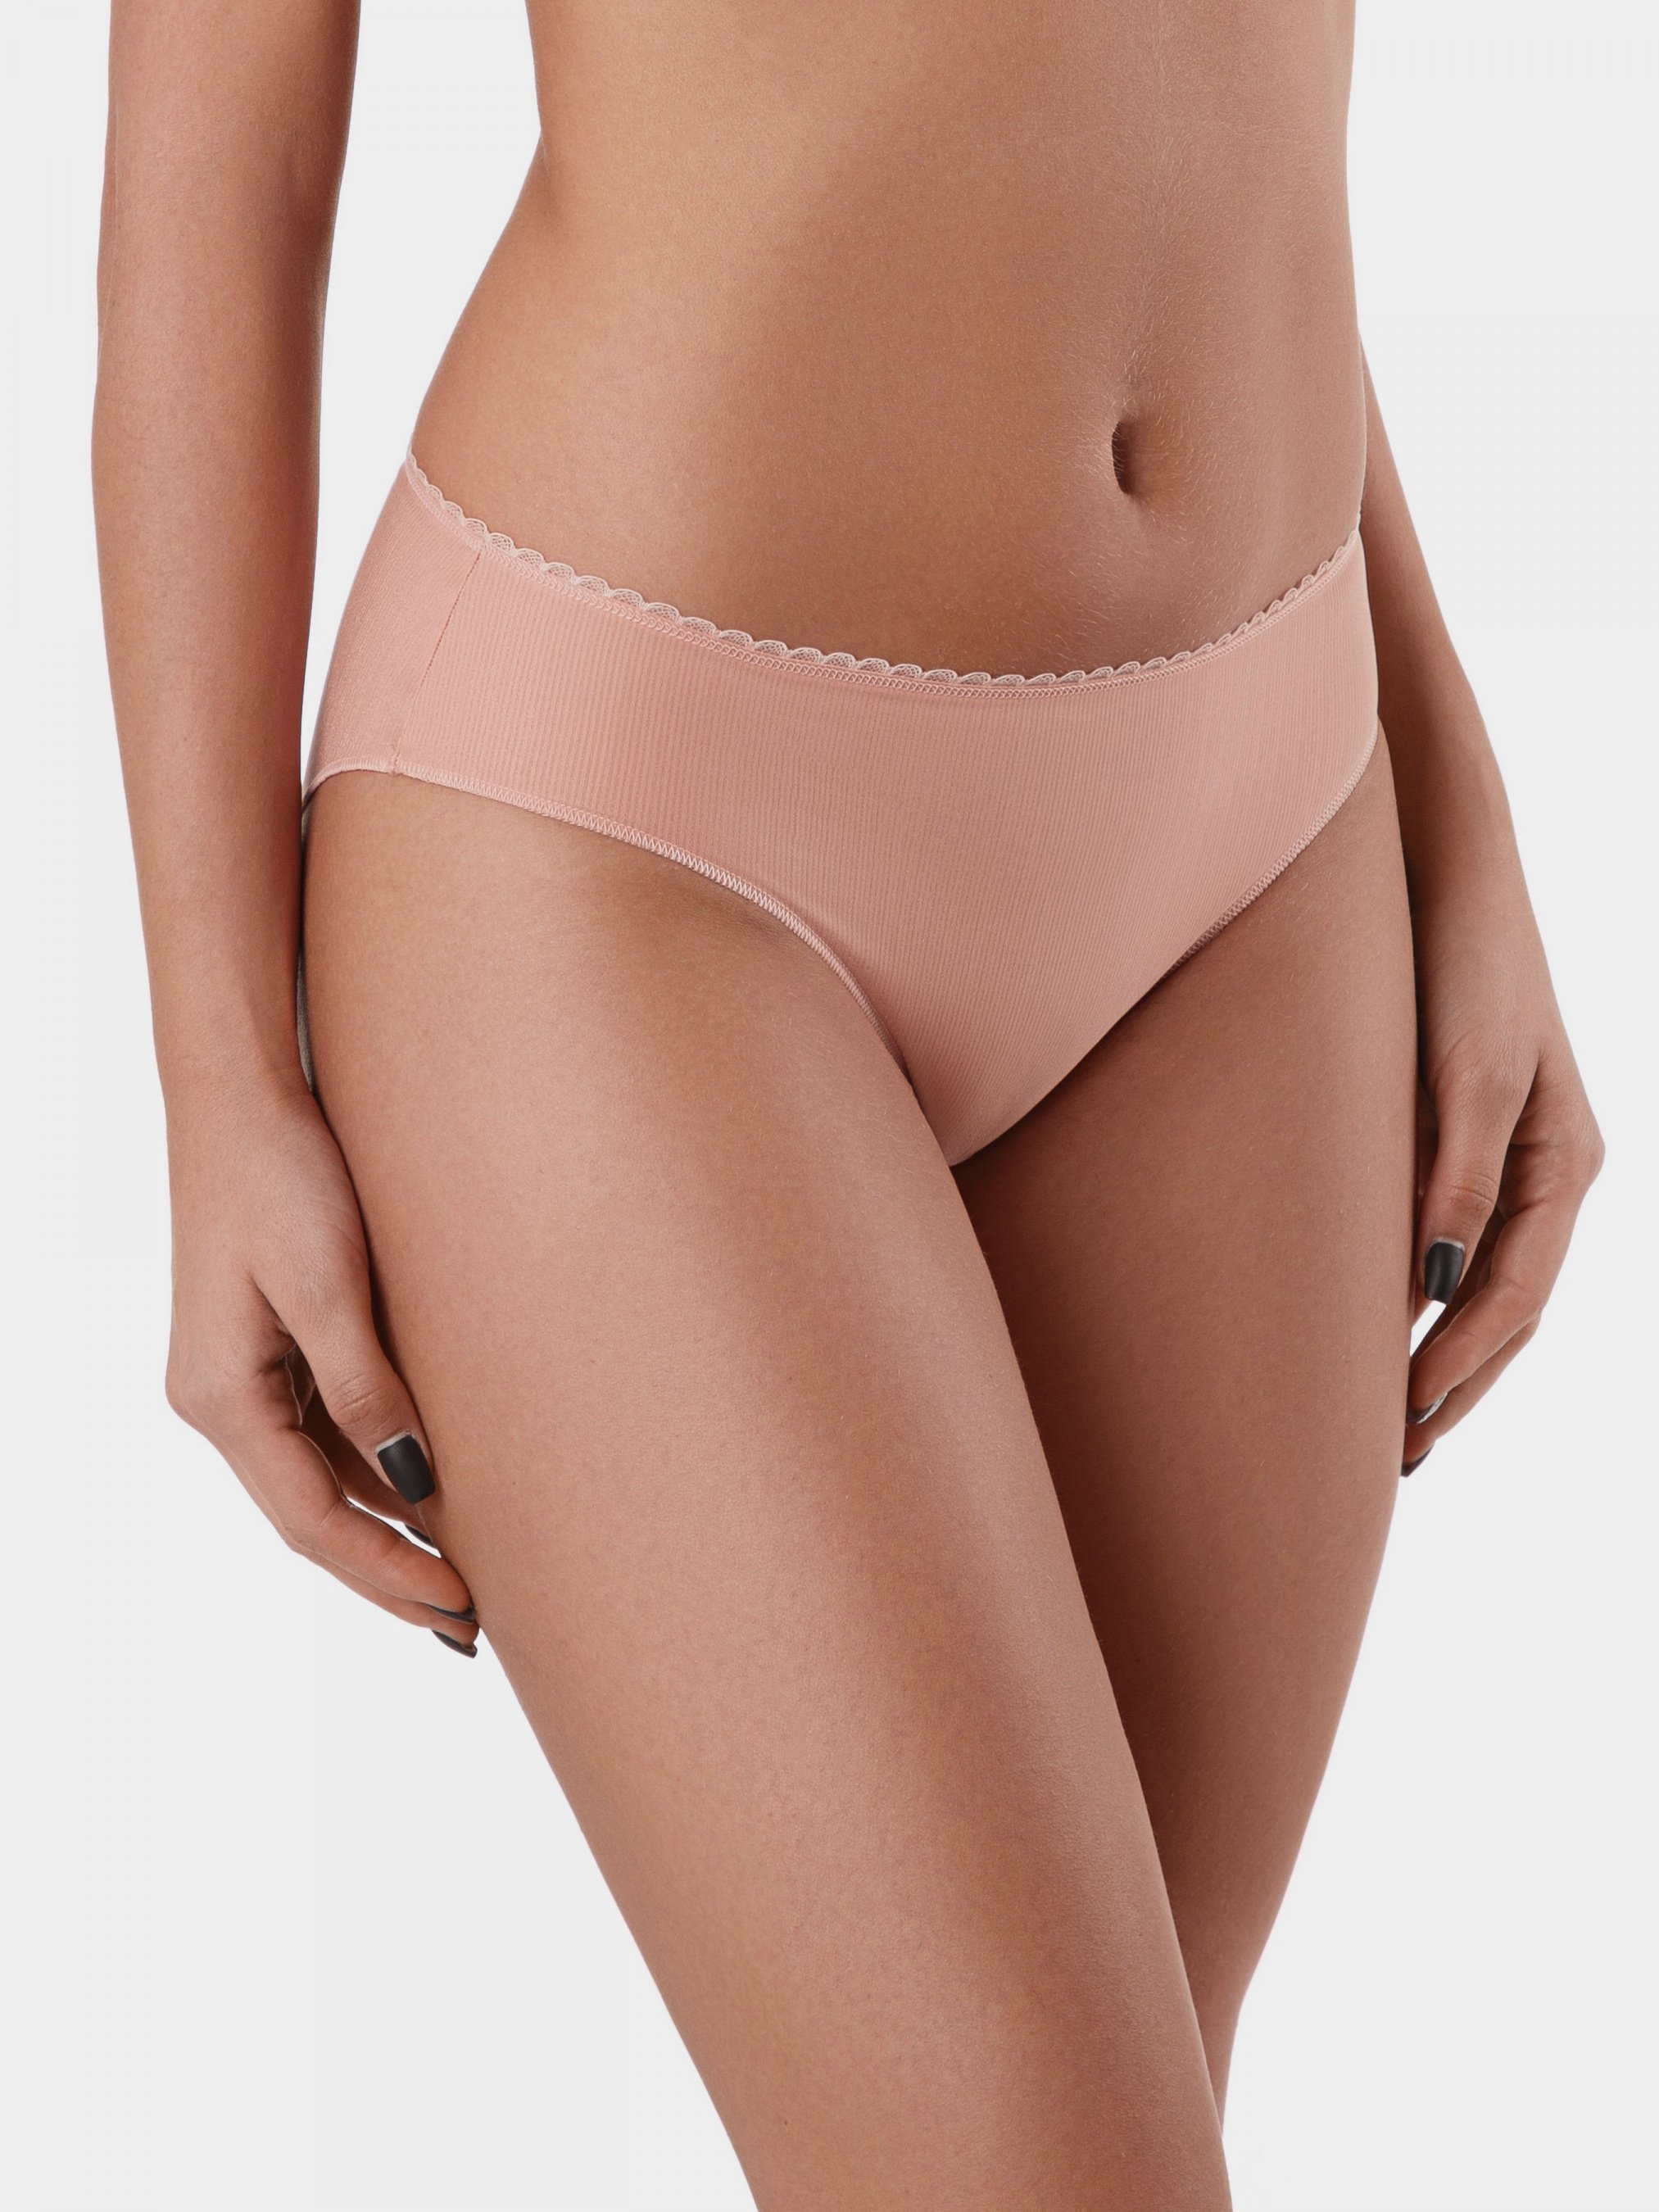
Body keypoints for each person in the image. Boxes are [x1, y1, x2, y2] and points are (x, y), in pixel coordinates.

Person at [93, 4, 1602, 2203]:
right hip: (632, 822)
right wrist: (217, 1073)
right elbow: (223, 179)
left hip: (1265, 827)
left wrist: (1456, 795)